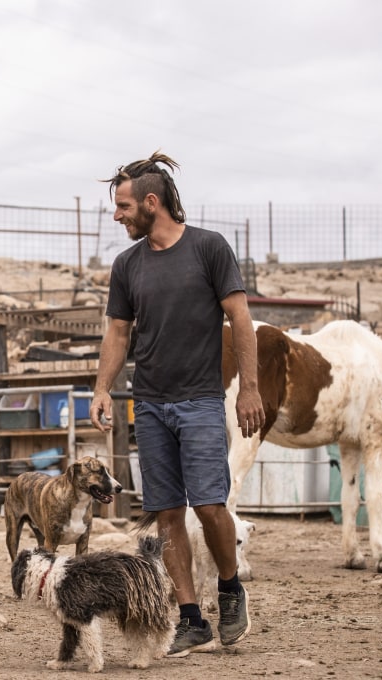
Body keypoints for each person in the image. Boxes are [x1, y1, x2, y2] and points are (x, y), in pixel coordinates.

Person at [89, 152, 265, 657]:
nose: (117, 216)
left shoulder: (209, 249)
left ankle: (230, 589)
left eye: (123, 206)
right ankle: (191, 618)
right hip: (151, 405)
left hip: (202, 402)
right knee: (166, 514)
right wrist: (103, 387)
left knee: (210, 506)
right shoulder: (126, 265)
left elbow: (241, 320)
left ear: (151, 202)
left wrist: (249, 388)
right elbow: (118, 333)